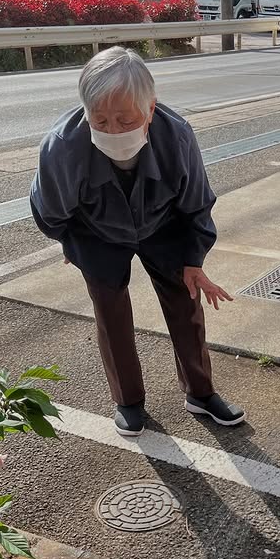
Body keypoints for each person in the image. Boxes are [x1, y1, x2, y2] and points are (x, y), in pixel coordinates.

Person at [30, 46, 244, 437]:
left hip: (164, 225)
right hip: (97, 233)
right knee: (110, 311)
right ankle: (128, 401)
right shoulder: (63, 145)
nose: (113, 131)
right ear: (86, 113)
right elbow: (50, 210)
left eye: (126, 120)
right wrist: (73, 246)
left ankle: (200, 392)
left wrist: (194, 260)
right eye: (100, 120)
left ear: (150, 109)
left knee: (185, 302)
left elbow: (197, 204)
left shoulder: (176, 136)